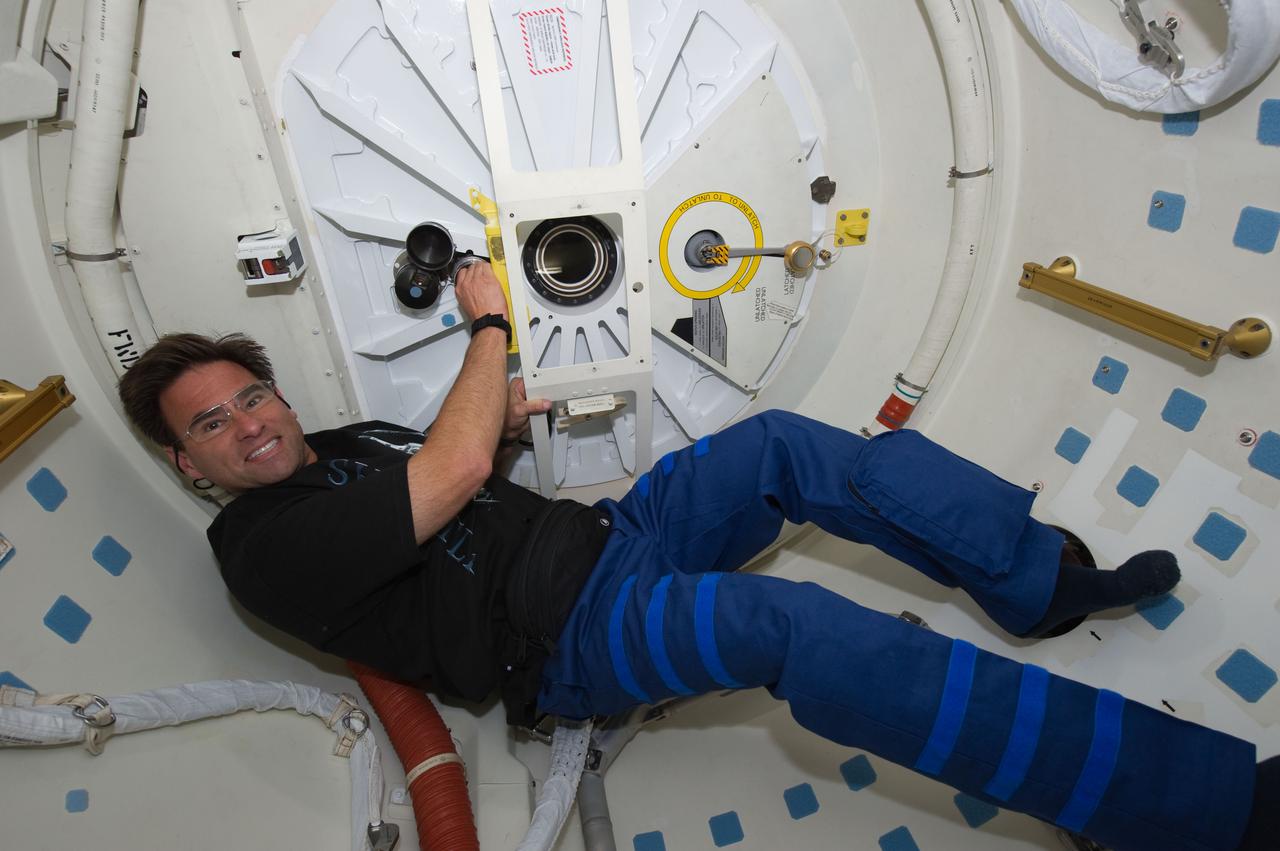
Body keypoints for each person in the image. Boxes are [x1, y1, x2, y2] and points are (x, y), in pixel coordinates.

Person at [118, 262, 1273, 851]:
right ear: (187, 463)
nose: (251, 422)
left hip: (613, 535)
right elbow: (451, 477)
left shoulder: (337, 444)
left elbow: (465, 490)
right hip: (565, 640)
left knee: (781, 444)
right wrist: (485, 324)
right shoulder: (256, 546)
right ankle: (1194, 811)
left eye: (251, 393)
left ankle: (1029, 581)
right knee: (797, 625)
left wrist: (505, 424)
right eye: (211, 424)